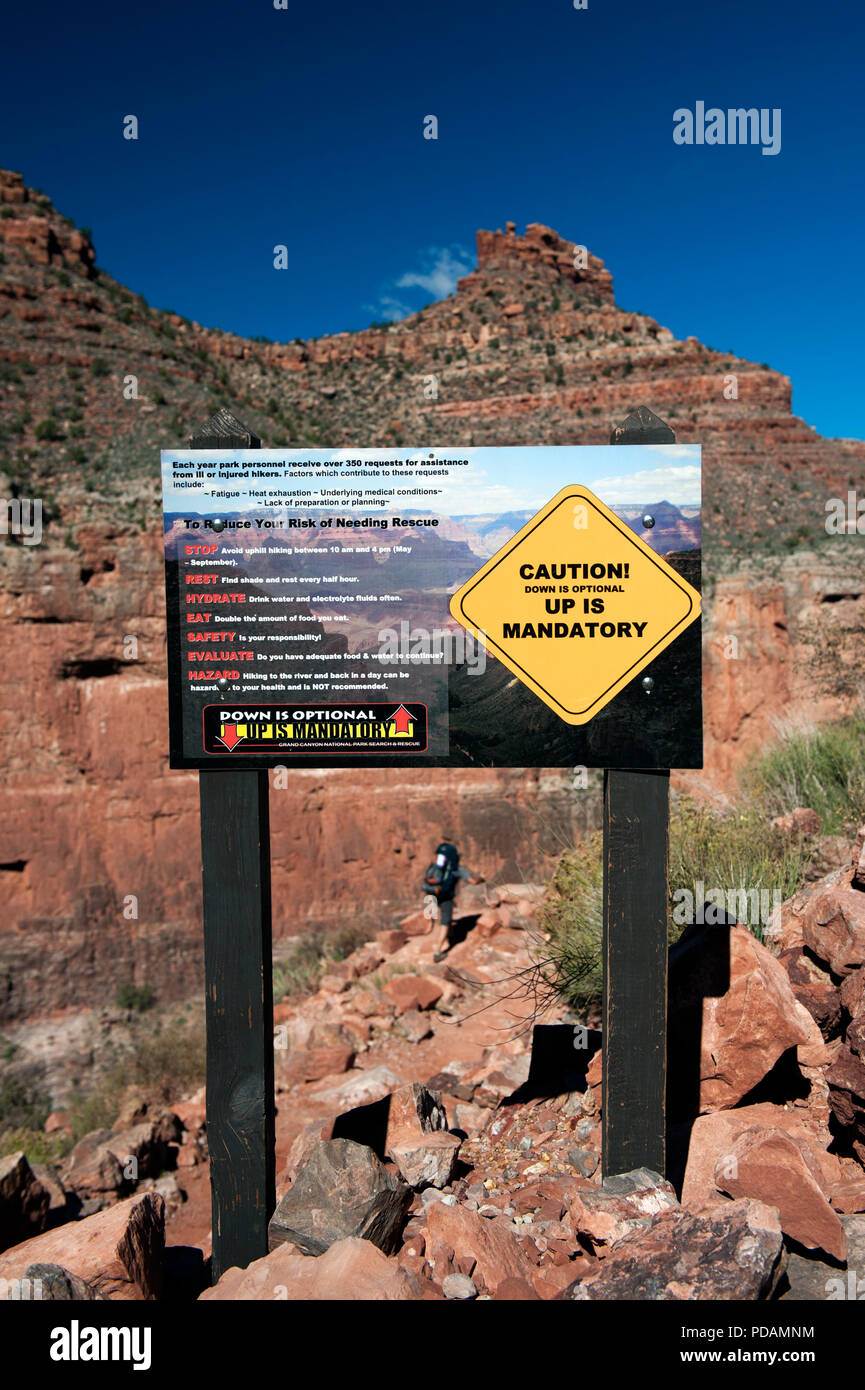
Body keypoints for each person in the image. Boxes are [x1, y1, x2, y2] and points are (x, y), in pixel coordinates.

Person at [424, 835, 484, 963]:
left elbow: (429, 878)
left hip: (432, 893)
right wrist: (482, 879)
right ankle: (438, 951)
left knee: (431, 905)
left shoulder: (436, 866)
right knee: (445, 922)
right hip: (446, 896)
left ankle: (430, 924)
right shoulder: (457, 869)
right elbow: (473, 881)